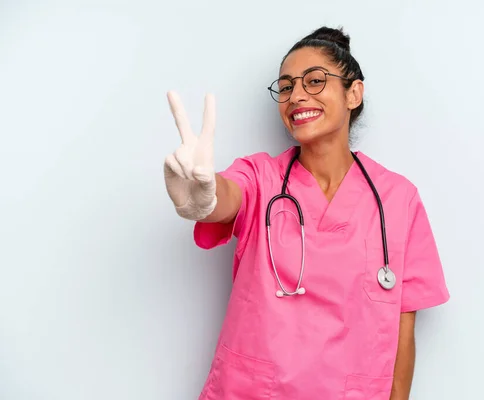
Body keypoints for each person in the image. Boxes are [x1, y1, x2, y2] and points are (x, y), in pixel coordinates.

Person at [164, 26, 449, 400]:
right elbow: (228, 195)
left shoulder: (398, 199)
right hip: (251, 391)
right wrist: (202, 198)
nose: (296, 96)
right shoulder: (262, 177)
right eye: (285, 87)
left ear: (354, 93)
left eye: (314, 81)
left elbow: (403, 327)